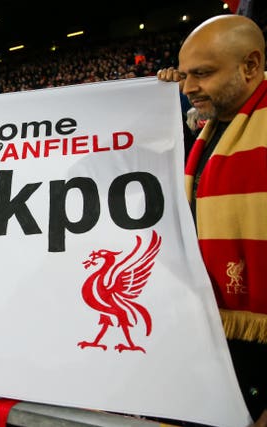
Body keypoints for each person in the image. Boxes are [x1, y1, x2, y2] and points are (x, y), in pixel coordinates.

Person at [157, 14, 267, 427]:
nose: (188, 88)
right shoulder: (212, 128)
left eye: (202, 73)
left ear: (250, 66)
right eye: (184, 75)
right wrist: (157, 99)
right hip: (214, 336)